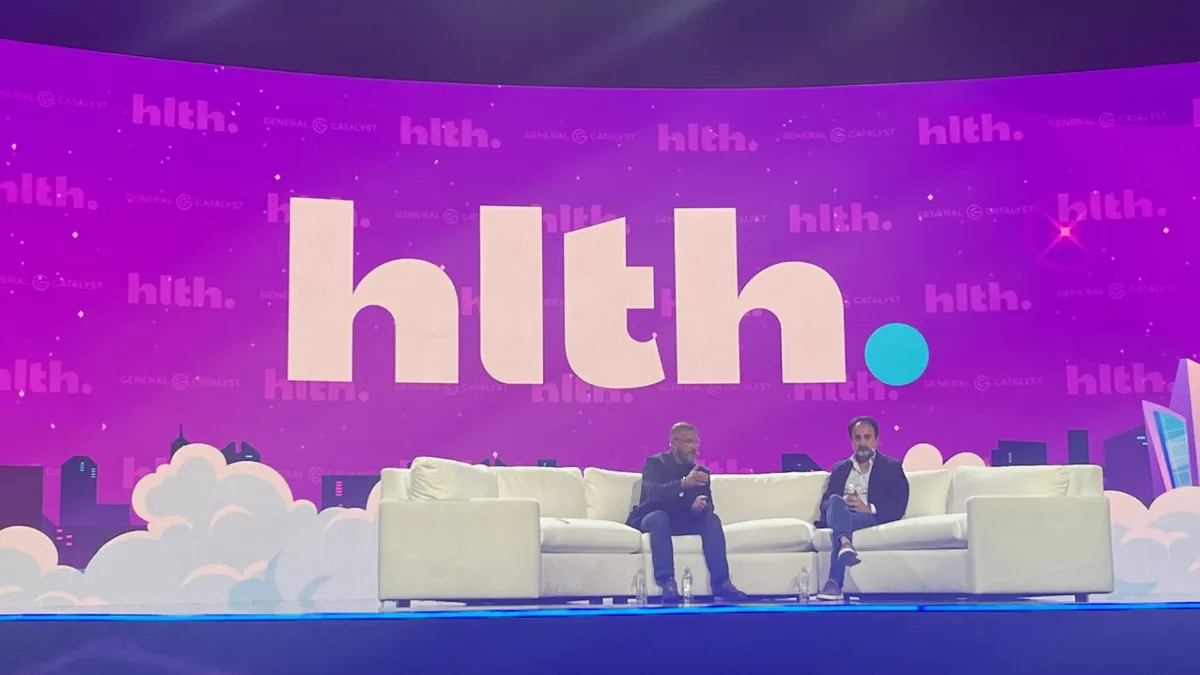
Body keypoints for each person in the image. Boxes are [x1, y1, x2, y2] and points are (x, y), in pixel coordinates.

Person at [626, 422, 749, 604]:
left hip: (683, 519)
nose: (694, 447)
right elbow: (653, 494)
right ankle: (667, 582)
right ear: (674, 443)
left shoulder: (700, 472)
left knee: (711, 519)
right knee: (660, 517)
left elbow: (709, 506)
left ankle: (722, 582)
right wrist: (683, 484)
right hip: (652, 516)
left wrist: (698, 507)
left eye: (696, 442)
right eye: (688, 442)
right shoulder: (655, 463)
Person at [814, 415, 910, 601]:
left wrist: (868, 508)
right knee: (835, 500)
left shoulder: (891, 467)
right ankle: (845, 545)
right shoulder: (840, 468)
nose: (862, 442)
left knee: (840, 526)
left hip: (868, 517)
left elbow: (899, 504)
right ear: (851, 441)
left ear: (876, 440)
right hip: (843, 514)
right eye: (857, 438)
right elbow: (825, 503)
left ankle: (834, 581)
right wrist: (840, 503)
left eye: (867, 437)